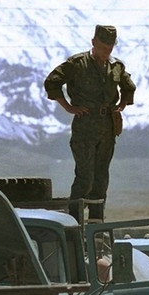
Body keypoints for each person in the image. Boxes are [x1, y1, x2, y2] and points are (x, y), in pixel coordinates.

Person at [44, 24, 136, 223]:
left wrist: (121, 105)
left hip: (107, 128)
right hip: (85, 125)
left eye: (110, 48)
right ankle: (74, 224)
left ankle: (96, 225)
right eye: (103, 47)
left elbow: (128, 88)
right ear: (94, 42)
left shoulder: (116, 66)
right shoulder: (78, 64)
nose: (106, 52)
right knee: (85, 176)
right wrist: (68, 107)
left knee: (101, 178)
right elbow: (52, 82)